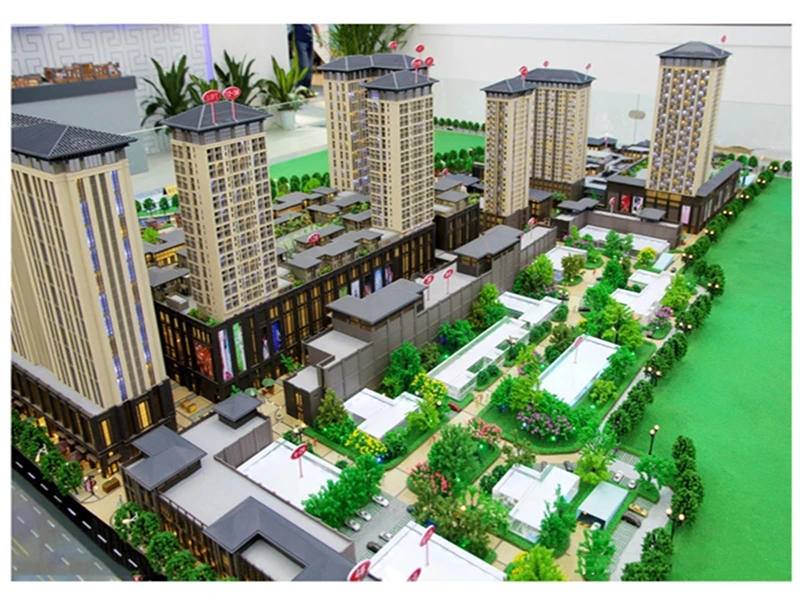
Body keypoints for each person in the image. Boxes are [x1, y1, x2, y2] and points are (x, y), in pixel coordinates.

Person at [290, 24, 322, 95]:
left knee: (310, 67)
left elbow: (315, 24)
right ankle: (298, 88)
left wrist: (319, 38)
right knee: (304, 66)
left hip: (309, 41)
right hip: (300, 41)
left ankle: (306, 90)